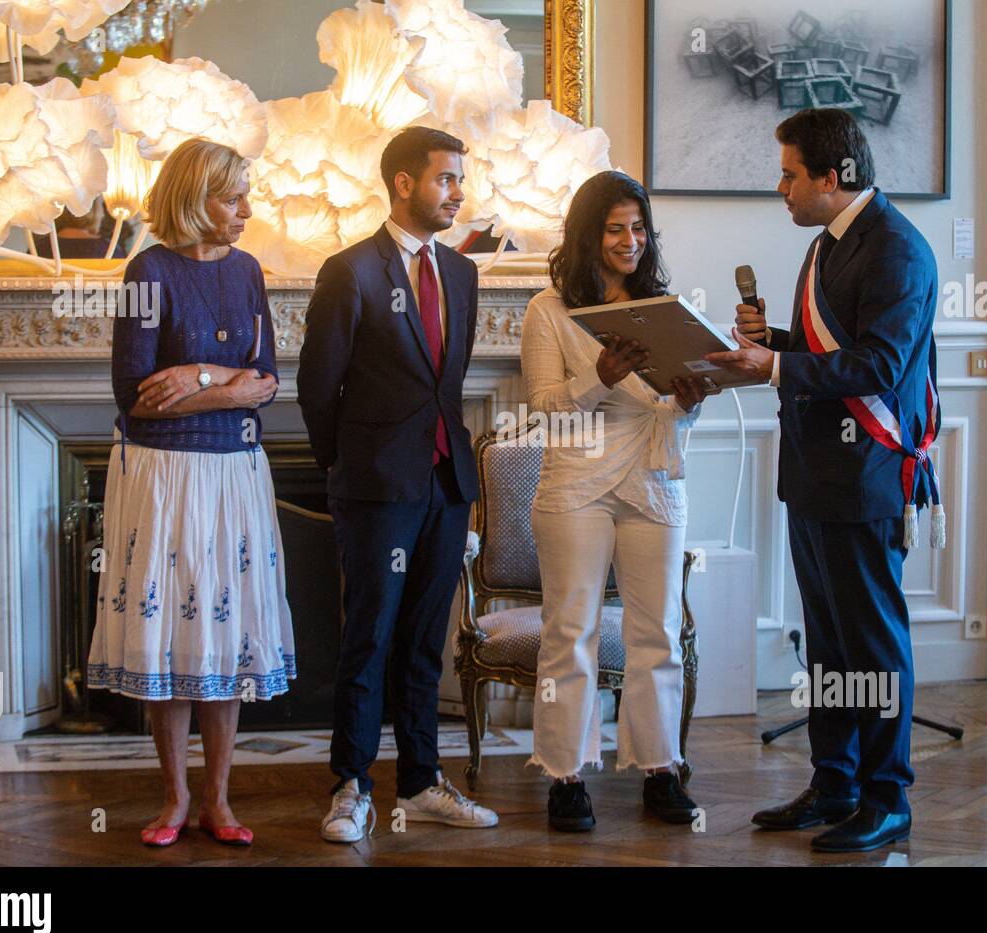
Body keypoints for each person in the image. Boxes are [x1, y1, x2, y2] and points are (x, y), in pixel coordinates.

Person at [706, 108, 941, 853]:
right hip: (815, 476)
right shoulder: (826, 244)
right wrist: (767, 342)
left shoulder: (899, 250)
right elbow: (823, 351)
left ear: (830, 178)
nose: (781, 188)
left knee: (873, 646)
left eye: (788, 174)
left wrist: (773, 365)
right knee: (829, 646)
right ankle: (835, 781)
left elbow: (879, 367)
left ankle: (886, 796)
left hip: (865, 477)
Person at [87, 137, 291, 849]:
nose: (245, 209)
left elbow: (266, 382)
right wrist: (231, 389)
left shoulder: (248, 272)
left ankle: (220, 801)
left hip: (234, 475)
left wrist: (203, 374)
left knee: (226, 639)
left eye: (245, 195)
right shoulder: (149, 269)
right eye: (232, 197)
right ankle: (175, 799)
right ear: (192, 197)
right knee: (172, 639)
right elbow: (137, 398)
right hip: (163, 479)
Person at [298, 126, 499, 844]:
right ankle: (350, 787)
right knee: (370, 638)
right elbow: (317, 388)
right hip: (375, 488)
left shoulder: (465, 275)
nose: (458, 192)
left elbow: (450, 384)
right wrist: (346, 468)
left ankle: (420, 779)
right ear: (404, 183)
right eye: (446, 179)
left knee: (423, 643)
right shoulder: (350, 272)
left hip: (447, 483)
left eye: (460, 180)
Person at [521, 170, 713, 832]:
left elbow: (670, 414)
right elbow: (546, 412)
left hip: (653, 481)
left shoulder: (665, 309)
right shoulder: (549, 310)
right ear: (587, 235)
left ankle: (661, 770)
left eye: (638, 228)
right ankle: (565, 775)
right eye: (615, 229)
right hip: (575, 485)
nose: (630, 240)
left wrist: (688, 402)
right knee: (569, 630)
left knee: (655, 629)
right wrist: (596, 379)